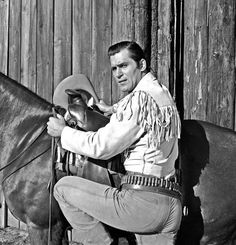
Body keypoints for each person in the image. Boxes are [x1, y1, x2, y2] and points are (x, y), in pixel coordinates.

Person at [47, 41, 182, 245]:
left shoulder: (136, 102)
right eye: (114, 68)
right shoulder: (163, 94)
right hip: (171, 204)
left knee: (63, 188)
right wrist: (114, 109)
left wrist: (63, 132)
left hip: (142, 204)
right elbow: (141, 112)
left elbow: (101, 147)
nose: (118, 73)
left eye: (124, 66)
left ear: (142, 65)